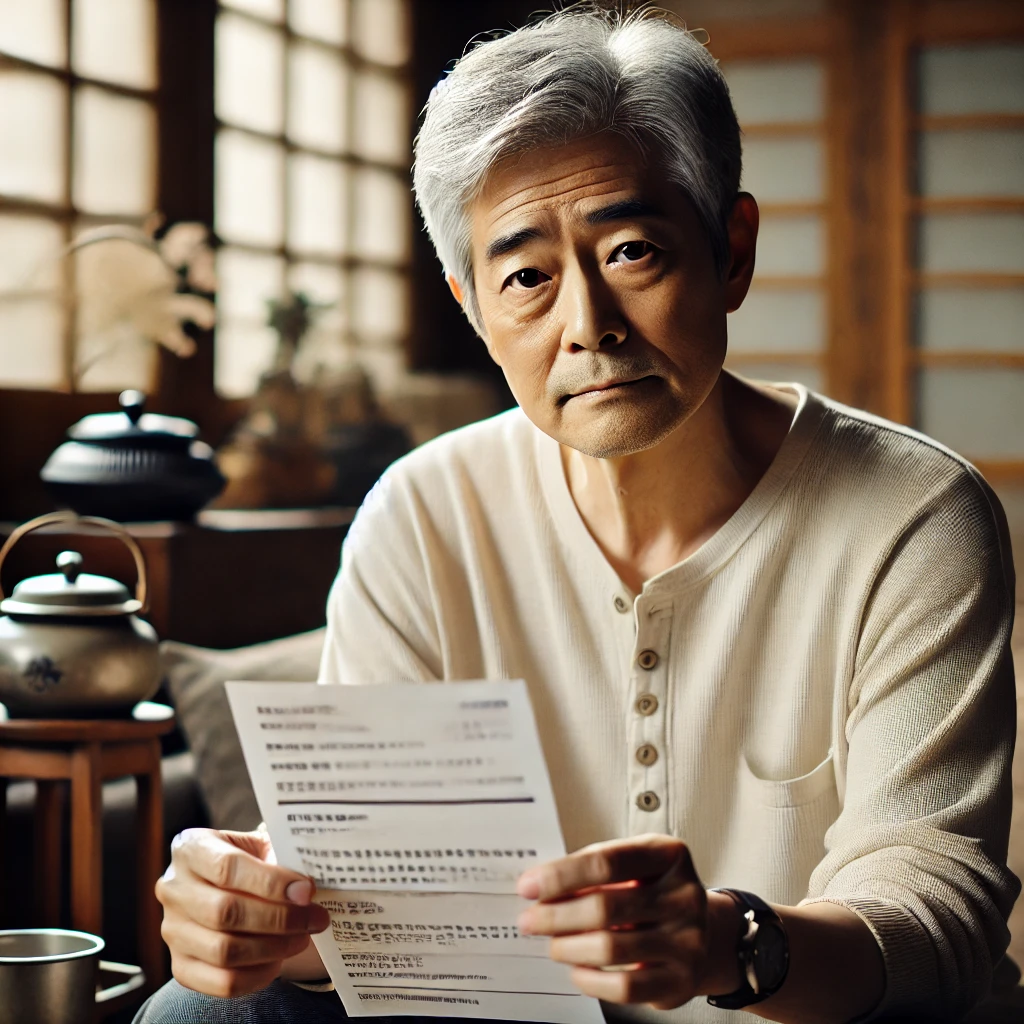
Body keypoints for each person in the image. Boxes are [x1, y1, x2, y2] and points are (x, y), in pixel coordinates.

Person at [138, 9, 1019, 1023]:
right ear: (471, 303)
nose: (587, 326)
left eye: (634, 251)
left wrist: (730, 942)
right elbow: (391, 922)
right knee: (196, 1012)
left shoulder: (912, 513)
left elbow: (936, 919)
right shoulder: (423, 514)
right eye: (525, 278)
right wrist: (268, 926)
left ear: (731, 252)